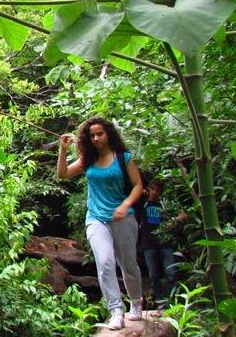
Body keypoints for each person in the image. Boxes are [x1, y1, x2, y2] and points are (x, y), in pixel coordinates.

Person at [56, 117, 143, 330]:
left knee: (128, 265)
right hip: (95, 218)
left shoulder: (123, 158)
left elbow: (138, 185)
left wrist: (125, 205)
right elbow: (63, 174)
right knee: (104, 263)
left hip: (122, 217)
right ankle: (116, 310)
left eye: (100, 134)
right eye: (92, 135)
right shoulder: (87, 160)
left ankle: (136, 303)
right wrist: (63, 151)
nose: (96, 138)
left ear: (108, 134)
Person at [139, 177, 187, 307]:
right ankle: (161, 301)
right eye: (152, 189)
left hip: (165, 244)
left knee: (171, 273)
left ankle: (171, 301)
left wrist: (173, 221)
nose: (154, 192)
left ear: (161, 192)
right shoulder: (142, 204)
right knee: (154, 275)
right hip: (148, 244)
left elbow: (183, 215)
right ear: (149, 189)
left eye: (157, 190)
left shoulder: (165, 204)